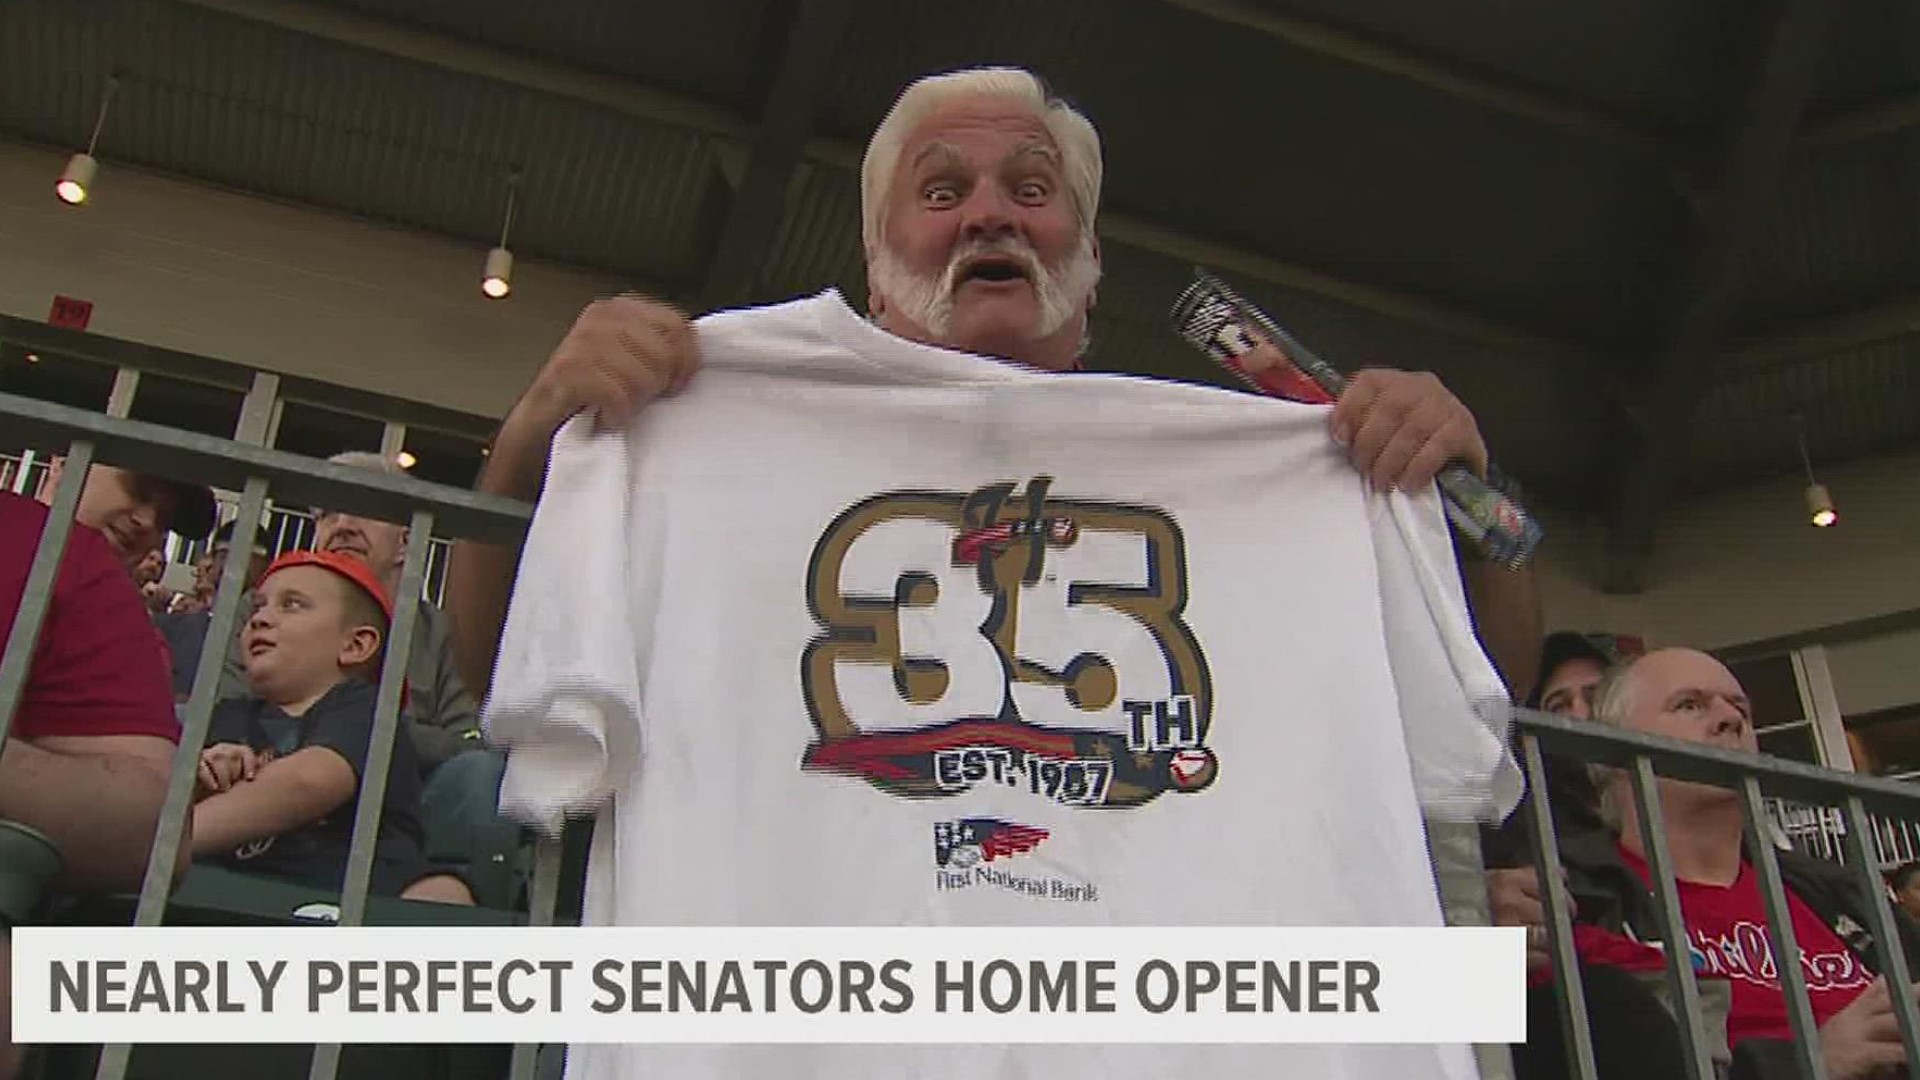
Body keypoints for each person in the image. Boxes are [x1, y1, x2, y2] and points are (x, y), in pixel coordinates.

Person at [443, 64, 1542, 719]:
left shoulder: (1245, 467)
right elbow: (506, 678)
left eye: (1030, 188)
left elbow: (1484, 693)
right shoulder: (709, 417)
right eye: (942, 191)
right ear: (876, 264)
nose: (988, 215)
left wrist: (1455, 488)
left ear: (1091, 261)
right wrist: (535, 440)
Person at [1577, 649, 1920, 1080]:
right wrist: (1810, 1065)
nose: (1731, 719)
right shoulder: (1560, 890)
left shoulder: (1840, 892)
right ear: (1611, 754)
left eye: (1740, 709)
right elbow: (1478, 1051)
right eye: (1690, 704)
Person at [1, 491, 188, 1079]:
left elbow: (153, 827)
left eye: (165, 516)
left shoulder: (60, 557)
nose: (147, 520)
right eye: (137, 487)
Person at [191, 550, 469, 904]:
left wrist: (167, 841)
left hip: (357, 896)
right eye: (258, 607)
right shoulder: (228, 715)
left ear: (355, 645)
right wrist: (202, 778)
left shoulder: (366, 706)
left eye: (291, 605)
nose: (260, 618)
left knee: (444, 894)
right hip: (234, 887)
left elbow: (310, 783)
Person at [34, 457, 217, 573]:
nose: (148, 522)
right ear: (65, 463)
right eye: (141, 492)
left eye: (165, 519)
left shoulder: (118, 628)